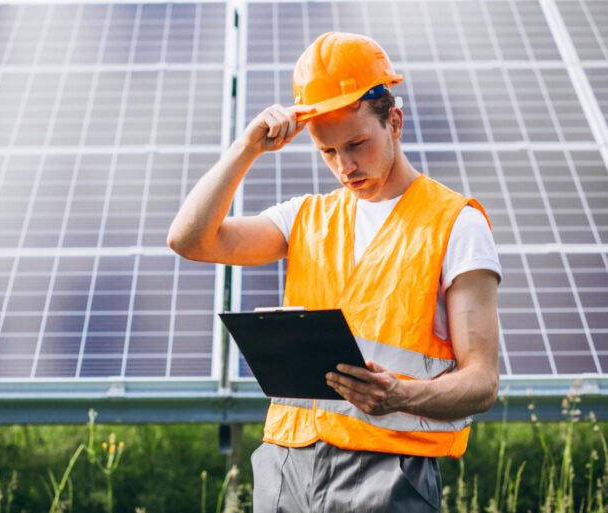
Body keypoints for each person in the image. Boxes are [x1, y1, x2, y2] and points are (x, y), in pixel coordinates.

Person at [167, 32, 501, 512]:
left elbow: (482, 382)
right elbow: (189, 239)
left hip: (388, 472)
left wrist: (402, 395)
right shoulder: (303, 217)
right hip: (285, 464)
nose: (345, 166)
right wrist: (246, 148)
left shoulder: (457, 224)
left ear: (395, 122)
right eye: (327, 152)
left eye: (357, 144)